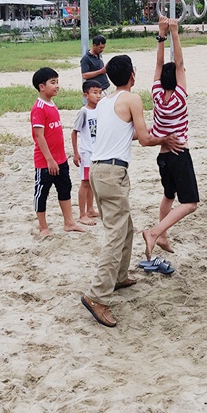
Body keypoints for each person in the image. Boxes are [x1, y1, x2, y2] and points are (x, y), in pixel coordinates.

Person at [81, 54, 183, 328]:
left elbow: (130, 133)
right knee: (116, 235)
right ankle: (97, 296)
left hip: (99, 172)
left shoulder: (105, 102)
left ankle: (119, 276)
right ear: (132, 76)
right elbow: (145, 139)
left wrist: (155, 135)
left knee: (125, 227)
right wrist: (165, 138)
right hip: (113, 173)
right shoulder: (132, 99)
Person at [142, 18, 197, 260]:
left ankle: (162, 235)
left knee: (168, 195)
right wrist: (175, 32)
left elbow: (158, 64)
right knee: (191, 203)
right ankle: (155, 232)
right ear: (176, 79)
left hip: (163, 156)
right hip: (178, 155)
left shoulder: (156, 95)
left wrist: (161, 35)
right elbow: (180, 64)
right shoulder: (180, 98)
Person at [30, 67, 85, 237]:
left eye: (57, 82)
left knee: (65, 188)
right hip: (45, 162)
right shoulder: (38, 108)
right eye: (52, 82)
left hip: (61, 159)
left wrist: (60, 158)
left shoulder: (52, 104)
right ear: (41, 86)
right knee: (42, 193)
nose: (57, 86)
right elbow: (39, 136)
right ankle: (43, 227)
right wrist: (49, 159)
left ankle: (69, 222)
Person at [71, 80, 102, 226]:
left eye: (100, 92)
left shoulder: (100, 109)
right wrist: (76, 153)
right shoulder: (83, 112)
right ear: (86, 95)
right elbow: (74, 132)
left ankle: (90, 209)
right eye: (95, 93)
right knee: (84, 183)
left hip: (96, 152)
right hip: (86, 152)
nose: (98, 96)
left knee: (91, 182)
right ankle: (82, 214)